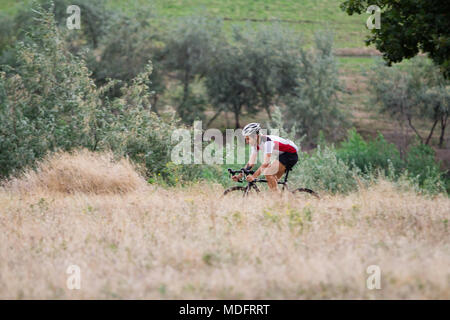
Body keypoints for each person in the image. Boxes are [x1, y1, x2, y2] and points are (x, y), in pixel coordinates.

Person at [232, 123, 299, 192]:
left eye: (248, 139)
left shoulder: (268, 142)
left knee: (268, 173)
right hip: (281, 155)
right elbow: (251, 163)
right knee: (272, 180)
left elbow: (266, 163)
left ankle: (279, 200)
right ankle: (285, 199)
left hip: (290, 154)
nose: (247, 142)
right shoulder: (255, 145)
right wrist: (239, 176)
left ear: (255, 136)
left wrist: (253, 176)